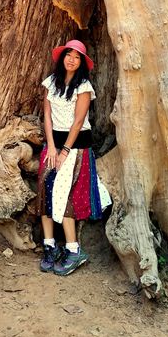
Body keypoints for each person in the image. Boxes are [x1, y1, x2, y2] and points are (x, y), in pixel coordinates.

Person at [37, 38, 102, 276]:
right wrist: (52, 147)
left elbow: (77, 121)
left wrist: (64, 151)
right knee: (45, 191)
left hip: (75, 148)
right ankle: (50, 245)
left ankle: (74, 251)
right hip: (53, 145)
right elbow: (47, 114)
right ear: (62, 57)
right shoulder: (51, 83)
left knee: (65, 196)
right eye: (68, 54)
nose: (71, 59)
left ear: (82, 62)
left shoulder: (84, 87)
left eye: (76, 56)